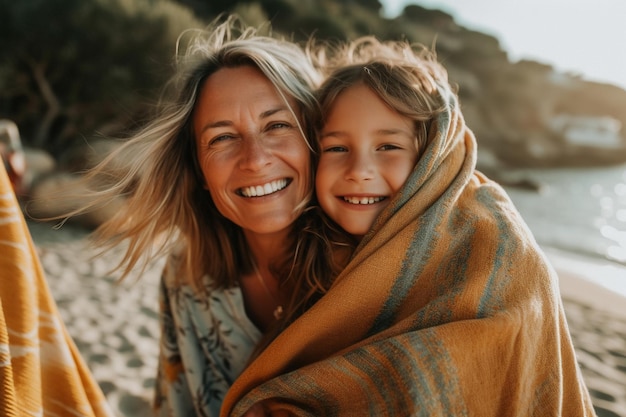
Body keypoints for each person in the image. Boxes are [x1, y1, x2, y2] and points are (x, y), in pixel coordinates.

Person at [223, 37, 596, 416]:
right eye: (336, 148)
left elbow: (485, 366)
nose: (359, 171)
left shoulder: (495, 244)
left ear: (429, 159)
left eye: (388, 147)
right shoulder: (320, 249)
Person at [49, 15, 341, 417]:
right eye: (222, 137)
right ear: (199, 169)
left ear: (317, 140)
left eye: (277, 125)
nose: (254, 160)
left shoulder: (367, 270)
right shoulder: (187, 280)